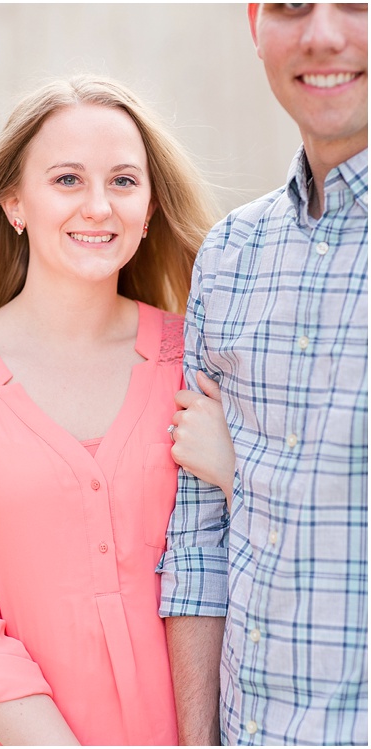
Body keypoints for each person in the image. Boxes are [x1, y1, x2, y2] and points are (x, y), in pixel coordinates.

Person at [0, 75, 218, 745]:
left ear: (149, 206)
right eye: (67, 179)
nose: (98, 206)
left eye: (123, 181)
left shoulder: (202, 361)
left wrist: (239, 473)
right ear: (15, 201)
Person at [159, 3, 368, 745]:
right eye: (291, 4)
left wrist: (242, 471)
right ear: (255, 23)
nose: (323, 34)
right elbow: (196, 545)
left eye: (359, 2)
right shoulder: (228, 255)